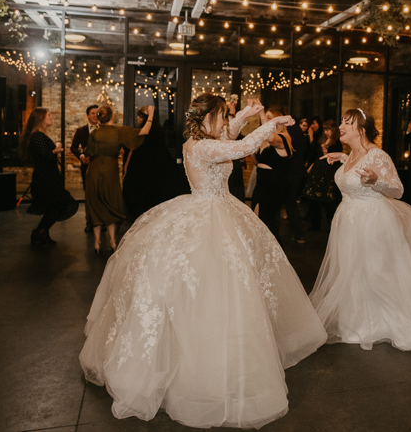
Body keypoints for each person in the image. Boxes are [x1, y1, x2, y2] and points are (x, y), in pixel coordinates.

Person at [79, 93, 326, 428]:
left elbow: (228, 136)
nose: (226, 121)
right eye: (223, 116)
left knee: (221, 288)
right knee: (209, 287)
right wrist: (271, 123)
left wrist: (246, 116)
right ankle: (200, 367)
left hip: (219, 212)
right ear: (209, 117)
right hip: (208, 217)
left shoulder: (201, 140)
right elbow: (239, 148)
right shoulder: (202, 147)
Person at [310, 108, 411, 354]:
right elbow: (355, 172)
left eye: (347, 122)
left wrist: (376, 181)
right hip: (348, 222)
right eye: (341, 121)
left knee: (378, 272)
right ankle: (359, 324)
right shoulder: (351, 153)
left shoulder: (379, 155)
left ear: (361, 130)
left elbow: (398, 190)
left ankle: (401, 326)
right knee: (352, 271)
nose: (340, 126)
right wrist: (342, 159)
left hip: (373, 221)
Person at [85, 105, 145, 254]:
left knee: (95, 203)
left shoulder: (95, 133)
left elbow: (89, 152)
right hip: (110, 170)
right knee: (111, 201)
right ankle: (112, 240)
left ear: (99, 117)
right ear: (111, 116)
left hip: (93, 170)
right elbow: (143, 132)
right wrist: (150, 116)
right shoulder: (118, 131)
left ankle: (97, 242)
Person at [20, 107, 79, 246]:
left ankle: (41, 232)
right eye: (49, 115)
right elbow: (45, 156)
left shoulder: (41, 134)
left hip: (49, 176)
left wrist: (54, 150)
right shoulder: (37, 136)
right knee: (61, 203)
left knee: (55, 205)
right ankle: (40, 231)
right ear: (41, 118)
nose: (51, 117)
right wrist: (55, 150)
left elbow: (46, 155)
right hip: (45, 178)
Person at [122, 105, 189, 219]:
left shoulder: (145, 132)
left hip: (144, 167)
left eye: (140, 117)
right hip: (154, 168)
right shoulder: (157, 131)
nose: (138, 119)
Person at [251, 107, 293, 243]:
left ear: (278, 121)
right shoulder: (265, 141)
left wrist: (261, 113)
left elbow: (270, 136)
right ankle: (263, 253)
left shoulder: (282, 138)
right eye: (266, 117)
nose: (265, 120)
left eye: (270, 118)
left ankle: (276, 256)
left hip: (274, 185)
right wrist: (252, 149)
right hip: (261, 183)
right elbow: (258, 163)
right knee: (256, 218)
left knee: (267, 221)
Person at [302, 120, 342, 230]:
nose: (326, 132)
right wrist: (311, 166)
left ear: (333, 130)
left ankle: (333, 225)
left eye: (328, 129)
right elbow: (316, 156)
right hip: (317, 171)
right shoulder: (322, 140)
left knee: (327, 200)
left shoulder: (336, 143)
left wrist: (326, 152)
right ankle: (315, 224)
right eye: (325, 129)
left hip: (328, 174)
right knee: (313, 198)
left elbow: (335, 160)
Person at [71, 105, 99, 233]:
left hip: (101, 166)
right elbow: (73, 147)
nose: (95, 115)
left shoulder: (104, 129)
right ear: (88, 115)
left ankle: (101, 221)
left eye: (97, 113)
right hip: (87, 166)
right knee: (89, 195)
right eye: (92, 113)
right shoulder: (81, 131)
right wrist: (81, 155)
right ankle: (90, 222)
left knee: (101, 194)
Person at [284, 115, 309, 243]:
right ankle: (298, 233)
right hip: (298, 171)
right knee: (291, 202)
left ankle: (297, 233)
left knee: (290, 202)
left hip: (291, 172)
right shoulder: (298, 130)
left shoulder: (288, 131)